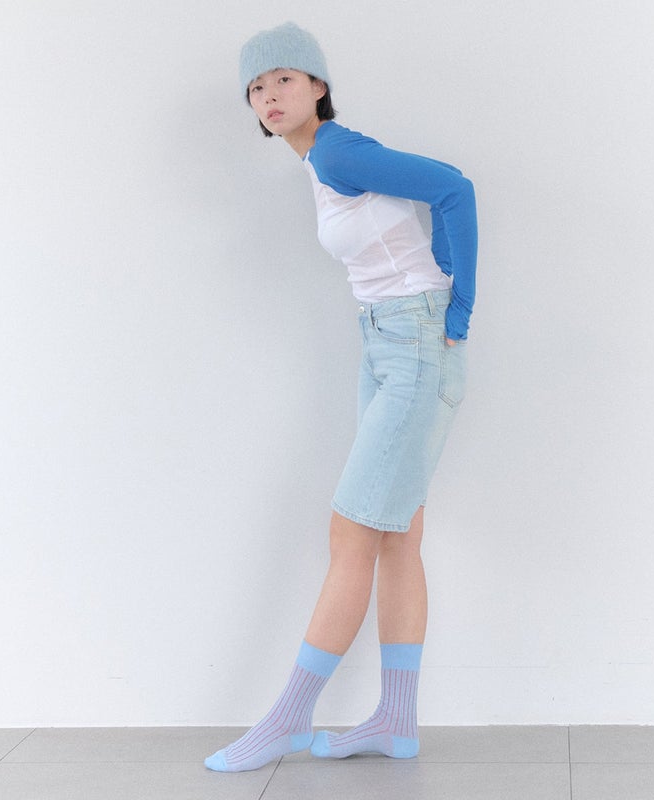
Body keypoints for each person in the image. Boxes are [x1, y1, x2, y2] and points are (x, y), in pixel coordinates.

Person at [205, 21, 477, 773]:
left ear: (318, 86)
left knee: (350, 535)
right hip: (385, 345)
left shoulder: (336, 150)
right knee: (396, 537)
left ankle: (289, 718)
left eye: (284, 79)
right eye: (256, 87)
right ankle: (395, 721)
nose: (269, 95)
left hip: (416, 345)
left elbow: (454, 188)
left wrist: (457, 306)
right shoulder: (317, 162)